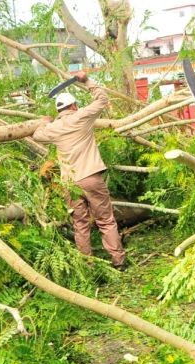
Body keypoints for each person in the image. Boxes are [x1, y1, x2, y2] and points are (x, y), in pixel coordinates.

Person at [32, 73, 127, 269]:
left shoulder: (54, 128)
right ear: (74, 106)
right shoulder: (81, 116)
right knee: (105, 220)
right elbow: (102, 99)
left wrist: (45, 122)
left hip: (70, 184)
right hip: (91, 178)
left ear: (59, 110)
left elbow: (37, 135)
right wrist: (86, 81)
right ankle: (118, 261)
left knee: (80, 224)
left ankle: (87, 265)